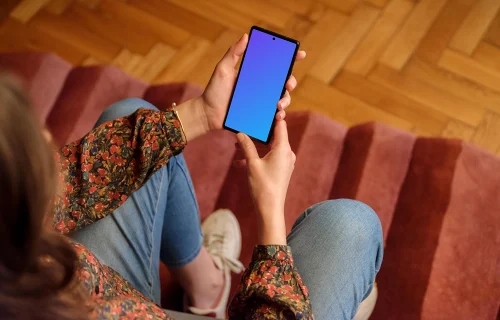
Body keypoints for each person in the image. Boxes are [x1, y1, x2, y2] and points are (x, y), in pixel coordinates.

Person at [0, 33, 383, 320]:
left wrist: (201, 114)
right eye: (35, 143)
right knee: (350, 228)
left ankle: (207, 289)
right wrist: (271, 220)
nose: (49, 139)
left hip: (87, 283)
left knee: (130, 110)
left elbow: (70, 181)